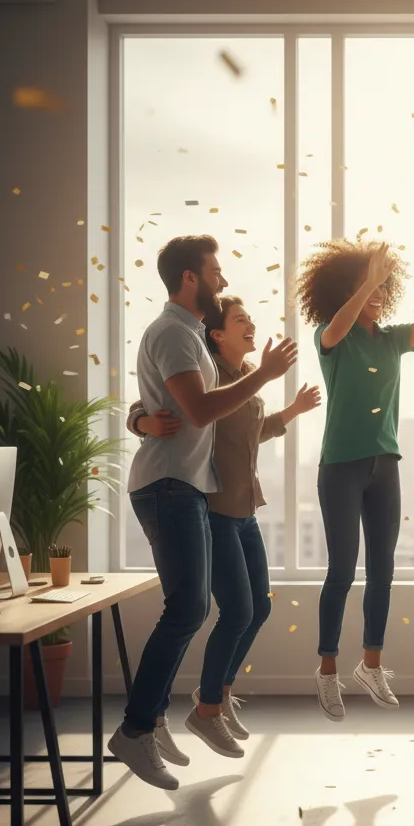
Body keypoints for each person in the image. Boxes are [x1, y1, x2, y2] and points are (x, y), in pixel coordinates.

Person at [108, 236, 296, 790]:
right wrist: (261, 375)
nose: (220, 277)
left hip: (186, 487)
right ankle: (138, 729)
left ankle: (152, 720)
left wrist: (141, 417)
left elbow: (185, 407)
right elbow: (196, 410)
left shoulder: (188, 333)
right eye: (214, 270)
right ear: (190, 278)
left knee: (194, 608)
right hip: (167, 487)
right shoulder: (172, 331)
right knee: (189, 609)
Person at [295, 237, 414, 720]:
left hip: (385, 465)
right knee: (342, 571)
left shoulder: (391, 339)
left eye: (383, 286)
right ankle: (326, 670)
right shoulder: (332, 335)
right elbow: (338, 325)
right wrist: (367, 283)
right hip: (340, 466)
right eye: (368, 286)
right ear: (349, 289)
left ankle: (371, 664)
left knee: (382, 569)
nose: (380, 294)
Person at [127, 294, 321, 759]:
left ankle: (216, 693)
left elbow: (249, 432)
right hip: (211, 508)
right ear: (217, 334)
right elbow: (151, 401)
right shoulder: (207, 369)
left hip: (244, 508)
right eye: (240, 319)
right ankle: (206, 708)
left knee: (258, 609)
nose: (251, 323)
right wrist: (140, 421)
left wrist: (291, 413)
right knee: (231, 611)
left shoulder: (239, 380)